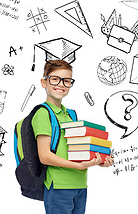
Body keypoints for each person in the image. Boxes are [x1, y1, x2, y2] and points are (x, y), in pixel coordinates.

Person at [31, 59, 113, 214]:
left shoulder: (71, 114)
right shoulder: (43, 114)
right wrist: (78, 166)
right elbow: (45, 156)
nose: (61, 84)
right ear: (43, 82)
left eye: (66, 80)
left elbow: (77, 151)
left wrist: (99, 161)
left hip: (80, 184)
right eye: (55, 79)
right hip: (59, 186)